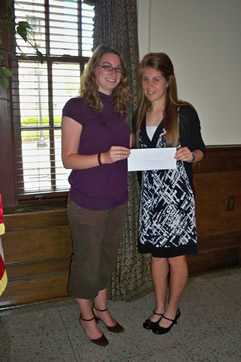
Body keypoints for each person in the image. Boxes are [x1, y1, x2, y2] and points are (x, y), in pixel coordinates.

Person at [61, 44, 132, 346]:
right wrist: (102, 157)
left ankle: (101, 308)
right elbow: (68, 158)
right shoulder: (76, 107)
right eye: (107, 66)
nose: (113, 72)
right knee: (87, 263)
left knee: (105, 259)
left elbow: (126, 147)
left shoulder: (122, 107)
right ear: (94, 70)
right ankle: (86, 316)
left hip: (117, 198)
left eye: (117, 68)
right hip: (87, 200)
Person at [133, 52, 206, 335]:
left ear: (167, 81)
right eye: (145, 79)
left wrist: (192, 155)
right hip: (151, 198)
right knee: (156, 256)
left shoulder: (183, 113)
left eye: (156, 79)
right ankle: (159, 305)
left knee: (176, 257)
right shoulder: (139, 113)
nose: (150, 85)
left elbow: (201, 149)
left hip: (176, 199)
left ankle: (172, 309)